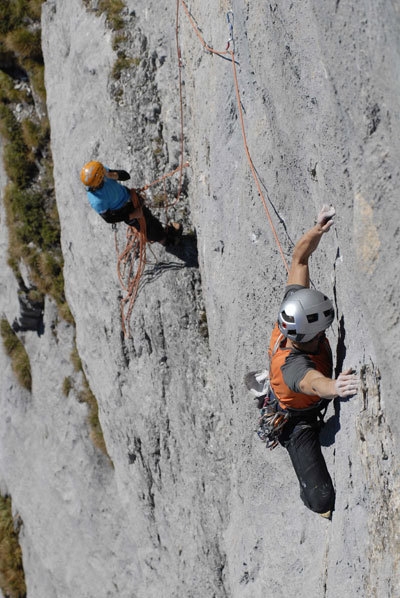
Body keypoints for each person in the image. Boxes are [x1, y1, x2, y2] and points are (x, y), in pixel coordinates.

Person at [251, 205, 358, 519]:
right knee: (321, 499)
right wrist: (335, 387)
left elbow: (299, 258)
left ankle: (265, 387)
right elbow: (313, 382)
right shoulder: (295, 366)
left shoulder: (294, 308)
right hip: (298, 420)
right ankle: (314, 502)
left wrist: (317, 229)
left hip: (292, 388)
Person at [80, 161, 182, 245]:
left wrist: (113, 175)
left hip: (130, 198)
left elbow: (126, 176)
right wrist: (132, 215)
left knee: (148, 217)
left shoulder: (103, 174)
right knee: (146, 228)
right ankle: (166, 241)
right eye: (103, 176)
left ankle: (163, 232)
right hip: (124, 210)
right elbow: (109, 218)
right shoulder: (97, 201)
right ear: (98, 181)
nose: (104, 174)